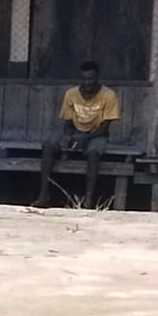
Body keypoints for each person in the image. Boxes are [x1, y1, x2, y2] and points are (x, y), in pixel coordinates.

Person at [35, 61, 120, 209]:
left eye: (91, 79)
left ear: (97, 78)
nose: (87, 83)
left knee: (94, 153)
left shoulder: (109, 95)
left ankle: (88, 198)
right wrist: (68, 136)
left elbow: (105, 128)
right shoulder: (71, 94)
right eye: (84, 79)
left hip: (97, 134)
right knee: (48, 144)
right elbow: (68, 122)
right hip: (75, 132)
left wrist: (84, 138)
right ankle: (44, 194)